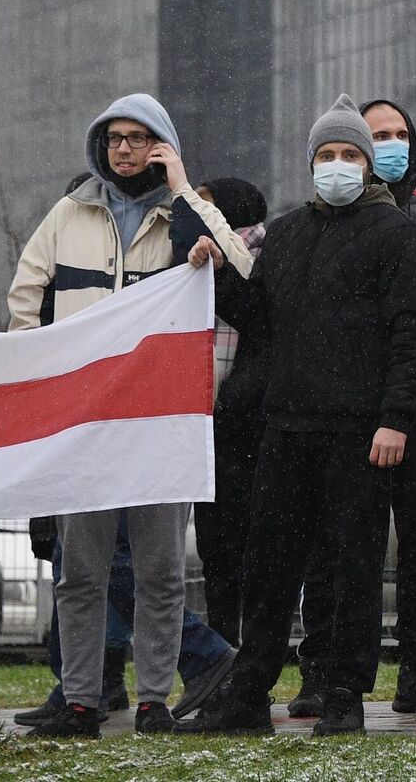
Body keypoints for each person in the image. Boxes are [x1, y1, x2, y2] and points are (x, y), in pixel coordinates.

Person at [179, 94, 416, 738]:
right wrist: (213, 273)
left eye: (350, 154)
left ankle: (344, 691)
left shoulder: (399, 235)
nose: (338, 165)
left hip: (358, 434)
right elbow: (262, 321)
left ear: (368, 164)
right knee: (268, 566)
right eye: (327, 154)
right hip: (286, 429)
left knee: (353, 566)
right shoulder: (290, 234)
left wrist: (395, 419)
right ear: (311, 162)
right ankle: (249, 691)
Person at [7, 94, 251, 739]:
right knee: (80, 573)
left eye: (139, 138)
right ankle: (83, 701)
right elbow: (26, 300)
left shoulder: (187, 214)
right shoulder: (67, 214)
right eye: (114, 137)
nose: (124, 149)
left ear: (163, 146)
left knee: (161, 574)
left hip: (159, 423)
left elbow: (245, 271)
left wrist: (185, 195)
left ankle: (153, 702)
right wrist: (41, 389)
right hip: (81, 424)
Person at [284, 99, 416, 717]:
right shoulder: (317, 227)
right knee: (331, 549)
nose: (389, 145)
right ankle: (320, 669)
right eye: (377, 135)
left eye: (398, 135)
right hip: (348, 420)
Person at [183, 176, 268, 648]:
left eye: (210, 208)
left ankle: (245, 654)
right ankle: (222, 652)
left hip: (248, 431)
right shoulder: (197, 261)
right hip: (211, 427)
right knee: (217, 552)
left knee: (248, 552)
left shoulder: (260, 258)